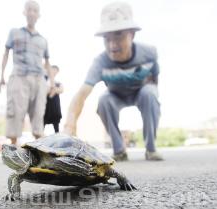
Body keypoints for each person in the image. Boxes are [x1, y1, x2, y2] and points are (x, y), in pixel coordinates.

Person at [64, 1, 163, 161]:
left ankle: (151, 148)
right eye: (106, 38)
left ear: (132, 34)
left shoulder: (149, 53)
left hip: (141, 92)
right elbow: (82, 94)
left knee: (149, 94)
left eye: (118, 35)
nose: (112, 45)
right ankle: (119, 150)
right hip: (115, 95)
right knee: (104, 99)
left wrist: (153, 101)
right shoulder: (100, 62)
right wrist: (69, 126)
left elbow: (154, 80)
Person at [0, 0, 54, 145]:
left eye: (35, 10)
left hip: (39, 78)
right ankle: (13, 145)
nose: (32, 12)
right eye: (29, 9)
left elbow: (47, 62)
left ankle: (39, 147)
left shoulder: (43, 40)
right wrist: (1, 76)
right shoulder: (14, 32)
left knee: (38, 112)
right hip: (19, 75)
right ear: (24, 12)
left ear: (39, 15)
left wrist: (52, 83)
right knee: (16, 110)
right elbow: (5, 53)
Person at [44, 65, 63, 133]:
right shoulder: (44, 79)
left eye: (56, 71)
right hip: (46, 105)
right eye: (53, 70)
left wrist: (53, 89)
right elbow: (45, 90)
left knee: (56, 124)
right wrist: (52, 89)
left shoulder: (58, 82)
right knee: (43, 122)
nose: (54, 72)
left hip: (55, 105)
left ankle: (57, 136)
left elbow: (61, 90)